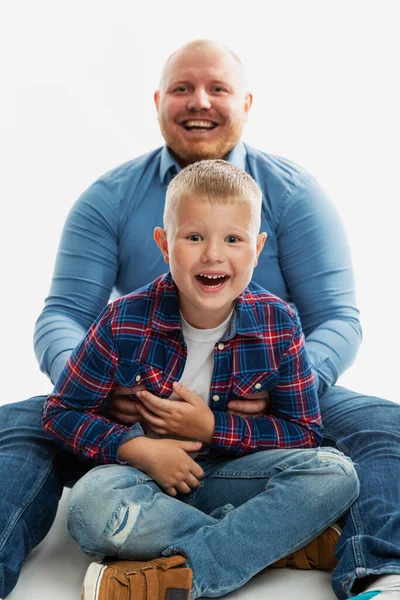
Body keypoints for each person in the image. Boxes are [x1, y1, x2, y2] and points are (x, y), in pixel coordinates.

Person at [0, 38, 399, 600]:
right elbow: (64, 313)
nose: (200, 101)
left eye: (219, 89)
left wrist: (281, 383)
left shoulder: (295, 195)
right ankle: (272, 542)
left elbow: (338, 318)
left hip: (271, 384)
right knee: (19, 428)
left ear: (247, 103)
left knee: (382, 427)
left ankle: (375, 571)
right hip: (141, 385)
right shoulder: (109, 200)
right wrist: (100, 381)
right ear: (160, 101)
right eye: (183, 89)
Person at [43, 159, 359, 600]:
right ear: (165, 244)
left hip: (234, 475)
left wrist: (210, 428)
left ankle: (187, 575)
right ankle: (271, 542)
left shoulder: (278, 323)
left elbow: (304, 432)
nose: (213, 254)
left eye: (233, 238)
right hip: (145, 479)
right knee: (90, 507)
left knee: (335, 473)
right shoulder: (123, 320)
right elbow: (61, 412)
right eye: (194, 237)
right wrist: (138, 448)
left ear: (258, 248)